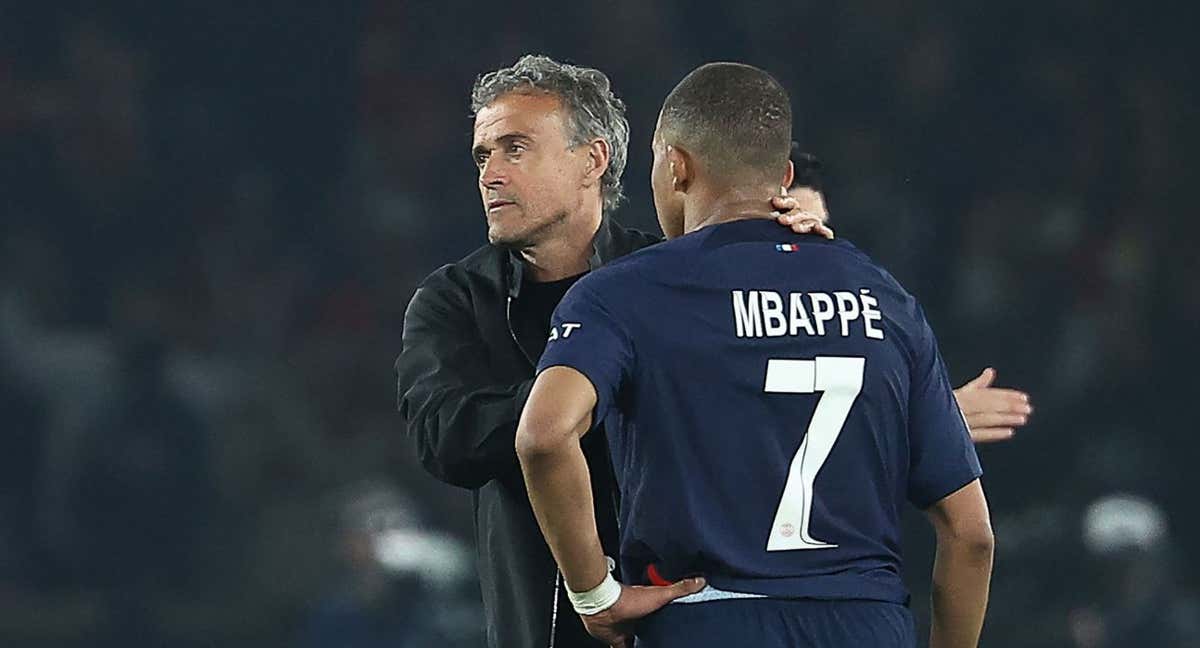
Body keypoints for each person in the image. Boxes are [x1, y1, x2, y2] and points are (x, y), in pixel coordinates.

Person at [516, 62, 994, 648]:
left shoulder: (622, 293)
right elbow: (972, 537)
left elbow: (543, 435)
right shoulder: (885, 297)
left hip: (708, 619)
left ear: (676, 166)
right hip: (865, 622)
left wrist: (595, 593)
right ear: (785, 176)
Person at [394, 54, 830, 648]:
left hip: (695, 621)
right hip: (543, 630)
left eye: (515, 148)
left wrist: (786, 260)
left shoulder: (673, 277)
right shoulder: (455, 301)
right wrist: (593, 385)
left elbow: (777, 386)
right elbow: (446, 439)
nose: (490, 174)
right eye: (483, 155)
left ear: (592, 160)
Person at [787, 148, 1033, 444]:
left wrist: (927, 427)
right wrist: (918, 424)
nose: (820, 244)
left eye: (822, 228)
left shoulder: (867, 326)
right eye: (797, 230)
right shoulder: (720, 326)